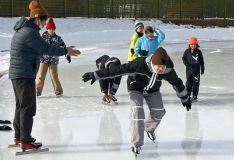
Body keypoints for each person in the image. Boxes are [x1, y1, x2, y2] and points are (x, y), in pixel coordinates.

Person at [82, 47, 191, 156]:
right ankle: (136, 144)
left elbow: (177, 83)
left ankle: (148, 128)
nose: (161, 70)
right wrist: (95, 75)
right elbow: (118, 70)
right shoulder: (140, 64)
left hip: (152, 91)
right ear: (153, 62)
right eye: (159, 66)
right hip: (135, 89)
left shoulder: (168, 71)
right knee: (138, 113)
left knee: (159, 111)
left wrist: (185, 98)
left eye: (163, 67)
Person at [9, 0, 80, 151]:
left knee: (20, 106)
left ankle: (19, 136)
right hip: (24, 74)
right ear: (37, 18)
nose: (45, 23)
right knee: (27, 107)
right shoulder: (30, 32)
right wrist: (65, 50)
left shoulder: (23, 29)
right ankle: (25, 140)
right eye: (44, 20)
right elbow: (45, 48)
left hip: (19, 73)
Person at [36, 18, 70, 96]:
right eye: (50, 29)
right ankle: (37, 91)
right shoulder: (42, 37)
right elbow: (38, 47)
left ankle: (58, 90)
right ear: (47, 29)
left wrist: (67, 55)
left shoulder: (58, 38)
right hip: (43, 59)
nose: (51, 30)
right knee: (41, 75)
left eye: (53, 29)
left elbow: (64, 47)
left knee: (54, 75)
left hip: (54, 60)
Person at [182, 36, 205, 101]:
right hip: (188, 71)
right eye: (191, 44)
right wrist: (186, 64)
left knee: (196, 84)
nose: (192, 46)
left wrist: (202, 69)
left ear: (196, 44)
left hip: (196, 71)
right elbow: (183, 58)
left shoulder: (198, 52)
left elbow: (201, 61)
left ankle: (195, 96)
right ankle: (188, 95)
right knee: (188, 84)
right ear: (189, 44)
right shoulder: (187, 51)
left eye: (194, 44)